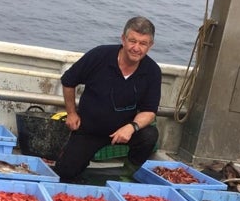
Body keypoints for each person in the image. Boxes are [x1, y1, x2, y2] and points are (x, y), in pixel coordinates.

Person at [53, 16, 162, 183]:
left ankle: (128, 175)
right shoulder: (100, 55)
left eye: (143, 43)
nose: (136, 48)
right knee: (65, 172)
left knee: (149, 135)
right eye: (132, 41)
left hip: (123, 131)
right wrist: (71, 113)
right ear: (123, 39)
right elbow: (68, 80)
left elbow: (149, 111)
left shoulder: (152, 71)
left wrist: (131, 127)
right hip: (89, 130)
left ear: (150, 45)